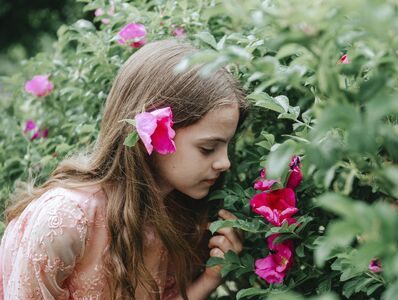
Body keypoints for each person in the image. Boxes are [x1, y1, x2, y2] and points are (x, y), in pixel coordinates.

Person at [0, 39, 249, 299]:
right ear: (152, 133)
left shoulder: (177, 216)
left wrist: (210, 278)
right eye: (208, 148)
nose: (225, 163)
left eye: (227, 147)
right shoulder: (67, 219)